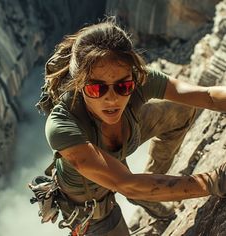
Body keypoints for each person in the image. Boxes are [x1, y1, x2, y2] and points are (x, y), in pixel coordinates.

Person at [33, 18, 226, 236]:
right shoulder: (62, 125)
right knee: (131, 187)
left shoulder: (139, 80)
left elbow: (206, 95)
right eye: (97, 89)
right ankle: (147, 190)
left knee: (181, 108)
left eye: (123, 86)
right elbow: (125, 183)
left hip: (124, 152)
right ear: (78, 83)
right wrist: (215, 181)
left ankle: (151, 186)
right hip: (93, 211)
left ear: (132, 76)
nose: (112, 99)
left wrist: (148, 185)